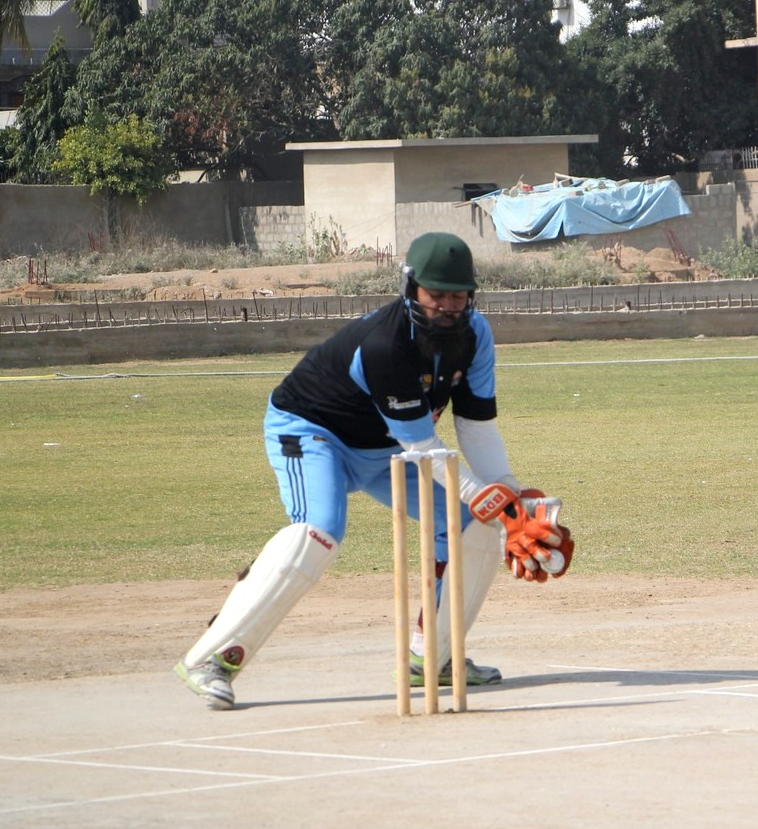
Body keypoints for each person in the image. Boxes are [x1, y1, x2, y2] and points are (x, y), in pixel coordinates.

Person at [174, 232, 574, 710]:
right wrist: (499, 504)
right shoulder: (386, 343)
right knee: (317, 532)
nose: (448, 307)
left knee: (477, 525)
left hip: (389, 447)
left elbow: (476, 429)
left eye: (458, 296)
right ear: (411, 288)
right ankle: (212, 658)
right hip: (314, 432)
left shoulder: (476, 336)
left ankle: (433, 658)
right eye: (436, 295)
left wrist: (511, 497)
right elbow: (422, 446)